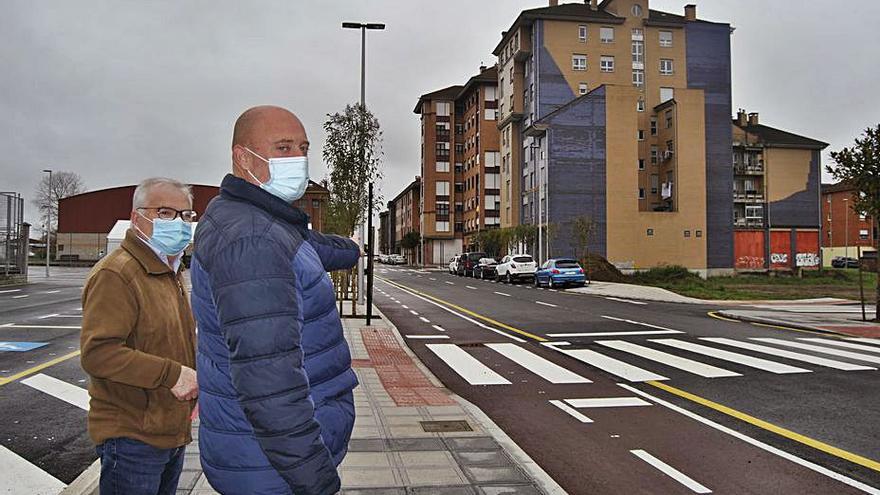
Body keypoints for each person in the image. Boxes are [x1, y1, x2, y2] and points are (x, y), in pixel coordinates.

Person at [191, 106, 360, 494]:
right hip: (273, 470)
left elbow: (305, 245)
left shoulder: (253, 219)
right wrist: (315, 480)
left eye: (302, 148)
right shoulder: (252, 239)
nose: (297, 160)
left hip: (258, 458)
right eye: (283, 148)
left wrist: (350, 249)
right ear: (242, 157)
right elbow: (270, 385)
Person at [80, 177, 198, 495]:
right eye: (164, 213)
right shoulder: (117, 274)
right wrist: (172, 374)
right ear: (137, 218)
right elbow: (98, 353)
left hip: (169, 431)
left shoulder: (167, 271)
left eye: (186, 215)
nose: (178, 222)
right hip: (133, 438)